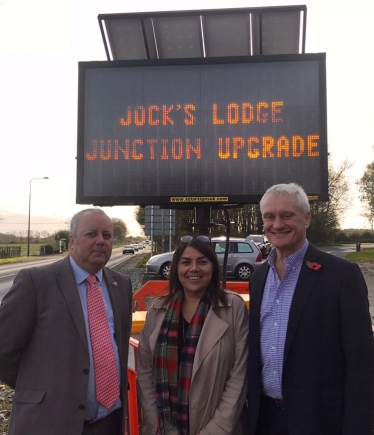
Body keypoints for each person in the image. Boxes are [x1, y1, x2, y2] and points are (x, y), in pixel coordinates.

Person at [247, 183, 374, 435]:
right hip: (265, 420)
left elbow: (362, 364)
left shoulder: (342, 275)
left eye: (287, 215)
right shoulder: (258, 278)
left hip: (321, 422)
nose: (277, 224)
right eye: (269, 217)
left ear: (307, 218)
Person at [0, 208, 133, 435]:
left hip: (109, 423)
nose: (101, 241)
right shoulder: (36, 283)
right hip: (48, 423)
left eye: (107, 235)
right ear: (72, 241)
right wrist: (39, 386)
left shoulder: (121, 285)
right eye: (91, 234)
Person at [137, 235, 248, 435]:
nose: (194, 268)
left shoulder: (233, 308)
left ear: (213, 267)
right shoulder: (158, 311)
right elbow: (145, 373)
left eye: (202, 262)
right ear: (176, 268)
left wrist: (216, 430)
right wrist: (157, 426)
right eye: (186, 262)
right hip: (165, 429)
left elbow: (238, 377)